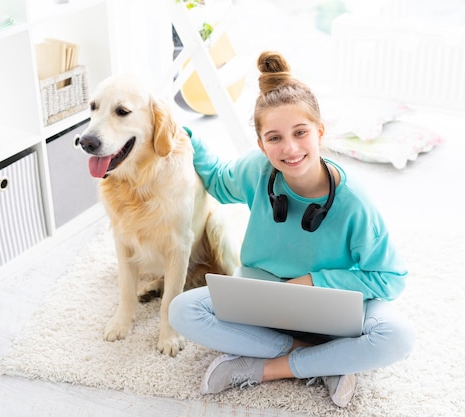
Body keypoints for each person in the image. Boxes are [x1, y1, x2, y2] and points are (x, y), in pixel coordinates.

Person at [169, 51, 415, 408]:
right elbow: (220, 183)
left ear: (320, 132)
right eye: (274, 138)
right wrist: (186, 136)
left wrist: (316, 281)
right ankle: (329, 360)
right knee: (183, 311)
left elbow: (391, 278)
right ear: (261, 144)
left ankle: (266, 368)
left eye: (301, 133)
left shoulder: (355, 203)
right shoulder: (257, 169)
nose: (290, 148)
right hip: (265, 292)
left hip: (333, 308)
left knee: (398, 336)